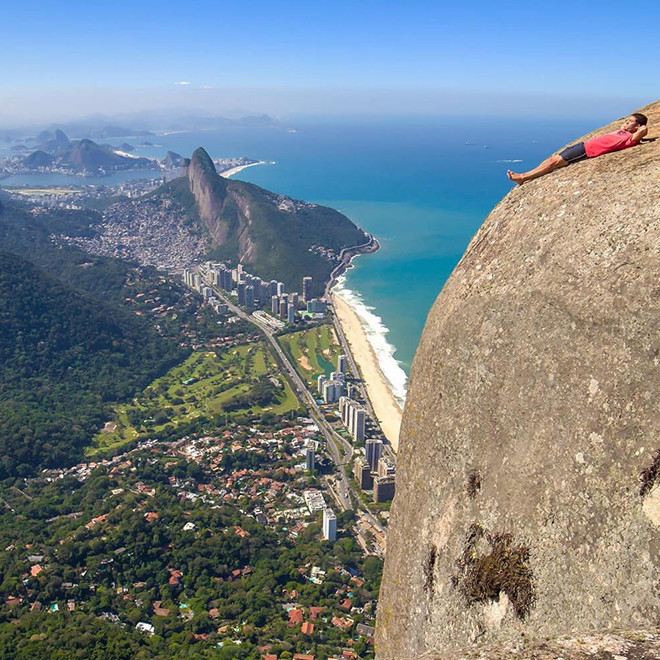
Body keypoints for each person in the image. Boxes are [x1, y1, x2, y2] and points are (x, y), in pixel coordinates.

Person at [507, 113, 648, 185]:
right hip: (583, 146)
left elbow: (643, 131)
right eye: (626, 120)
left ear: (637, 126)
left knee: (553, 163)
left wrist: (641, 127)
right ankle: (524, 175)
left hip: (586, 151)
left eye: (630, 122)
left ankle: (523, 177)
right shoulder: (624, 132)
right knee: (552, 160)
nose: (626, 123)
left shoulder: (630, 139)